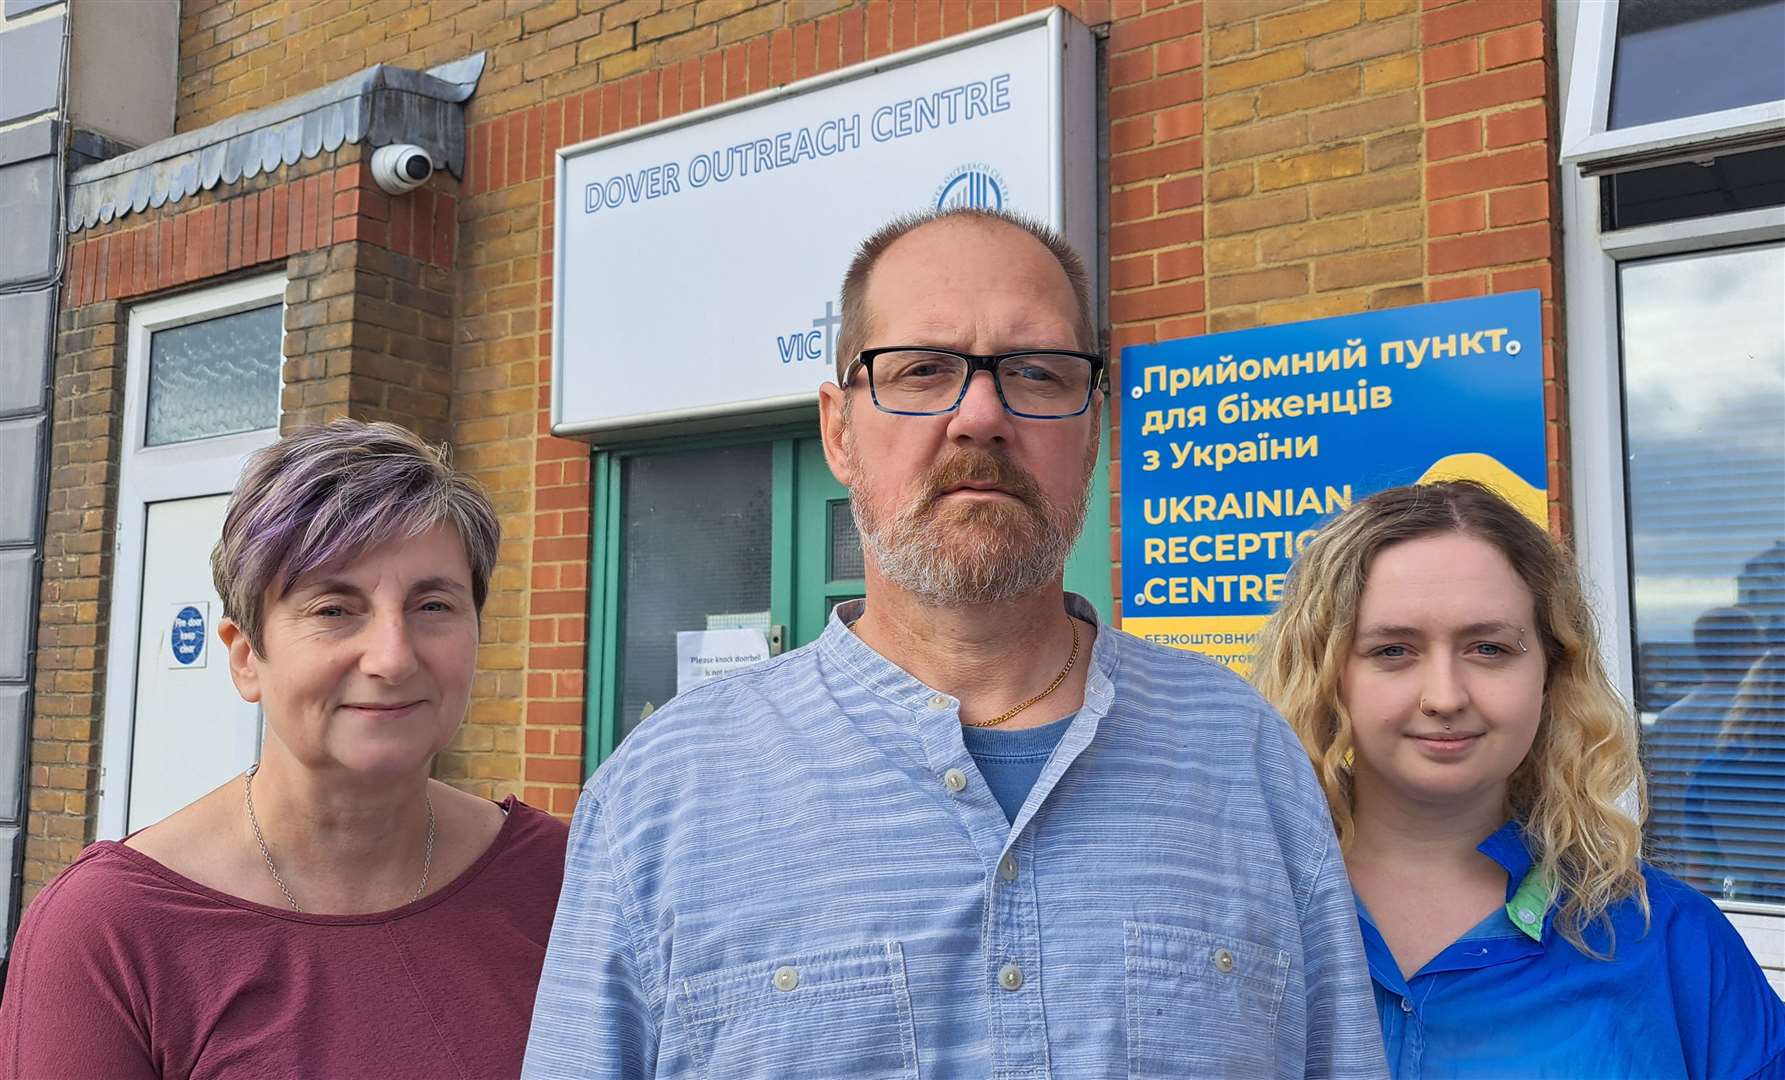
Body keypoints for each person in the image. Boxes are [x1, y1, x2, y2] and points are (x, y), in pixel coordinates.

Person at [522, 207, 1386, 1079]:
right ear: (837, 431)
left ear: (1091, 429)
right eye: (923, 370)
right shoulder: (660, 797)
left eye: (1038, 372)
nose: (980, 415)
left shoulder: (1244, 754)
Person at [0, 420, 569, 1079]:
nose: (392, 656)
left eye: (434, 606)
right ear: (246, 657)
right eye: (334, 609)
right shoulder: (110, 929)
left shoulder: (561, 883)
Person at [1252, 480, 1785, 1080]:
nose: (1445, 696)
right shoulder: (1235, 914)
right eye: (1393, 650)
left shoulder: (1670, 941)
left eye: (1488, 648)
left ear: (1550, 673)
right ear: (1326, 673)